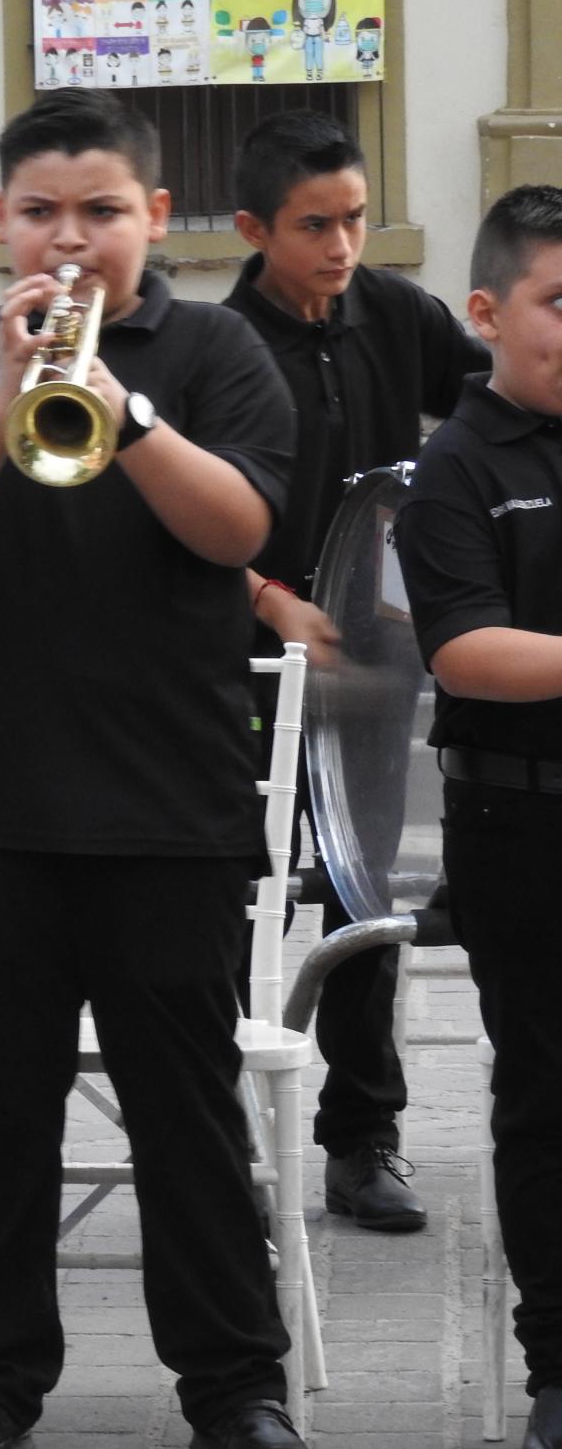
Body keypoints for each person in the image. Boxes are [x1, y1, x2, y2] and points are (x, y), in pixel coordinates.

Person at [0, 88, 302, 1449]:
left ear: (154, 220)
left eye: (102, 211)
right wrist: (9, 387)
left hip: (166, 803)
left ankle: (235, 1388)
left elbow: (237, 532)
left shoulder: (221, 347)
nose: (73, 238)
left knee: (185, 1117)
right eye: (43, 212)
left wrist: (123, 406)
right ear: (1, 223)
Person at [225, 107, 490, 1234]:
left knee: (359, 900)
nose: (340, 246)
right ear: (251, 229)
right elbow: (184, 514)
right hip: (240, 665)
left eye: (354, 219)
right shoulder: (217, 349)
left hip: (370, 667)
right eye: (313, 226)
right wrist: (263, 595)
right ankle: (216, 1125)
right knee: (226, 900)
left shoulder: (399, 314)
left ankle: (361, 1136)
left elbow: (487, 411)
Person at [393, 183, 562, 1449]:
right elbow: (464, 653)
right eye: (558, 302)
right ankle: (555, 1359)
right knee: (544, 1097)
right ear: (489, 313)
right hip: (521, 826)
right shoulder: (457, 464)